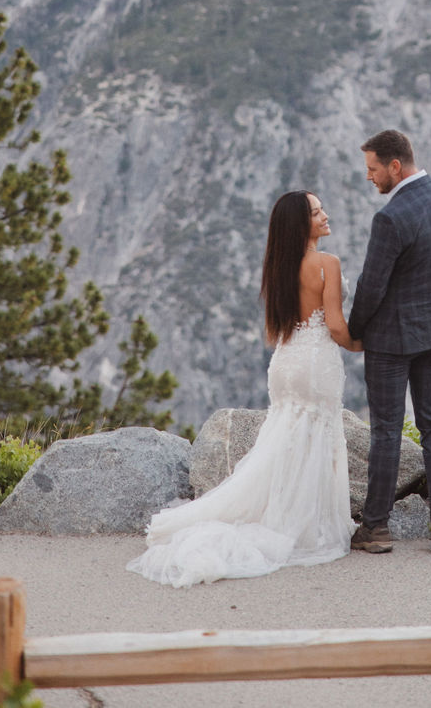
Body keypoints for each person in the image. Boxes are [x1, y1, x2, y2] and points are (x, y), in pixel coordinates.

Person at [127, 190, 361, 588]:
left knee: (285, 435)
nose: (326, 215)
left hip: (286, 361)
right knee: (315, 435)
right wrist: (365, 344)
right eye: (317, 212)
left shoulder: (279, 267)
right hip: (316, 361)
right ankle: (307, 524)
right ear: (300, 224)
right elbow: (336, 327)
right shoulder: (326, 264)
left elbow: (285, 324)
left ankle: (277, 512)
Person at [347, 129, 431, 557]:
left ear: (394, 166)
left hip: (391, 340)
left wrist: (355, 330)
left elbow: (371, 286)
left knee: (386, 431)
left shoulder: (391, 217)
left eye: (372, 169)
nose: (370, 177)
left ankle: (376, 529)